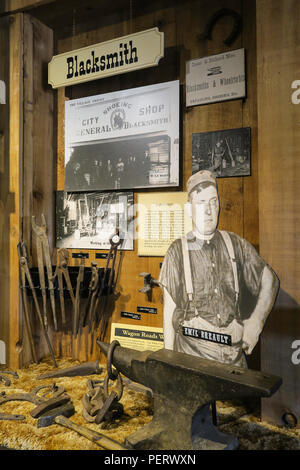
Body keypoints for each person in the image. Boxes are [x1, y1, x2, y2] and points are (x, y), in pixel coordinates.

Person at [158, 170, 279, 367]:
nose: (208, 210)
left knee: (235, 398)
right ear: (189, 210)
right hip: (192, 360)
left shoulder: (236, 245)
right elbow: (169, 312)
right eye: (201, 203)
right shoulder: (177, 252)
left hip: (233, 360)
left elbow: (270, 280)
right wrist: (168, 364)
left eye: (213, 202)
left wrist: (256, 321)